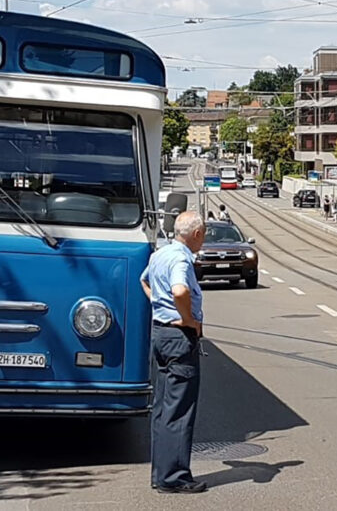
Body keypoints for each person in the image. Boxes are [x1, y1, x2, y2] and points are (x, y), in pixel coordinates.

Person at [140, 211, 208, 495]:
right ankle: (175, 477)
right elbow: (180, 291)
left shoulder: (161, 254)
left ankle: (161, 473)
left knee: (163, 407)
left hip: (159, 334)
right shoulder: (181, 259)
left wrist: (160, 307)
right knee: (179, 409)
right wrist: (186, 319)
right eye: (203, 235)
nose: (203, 240)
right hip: (179, 337)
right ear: (195, 234)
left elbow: (144, 281)